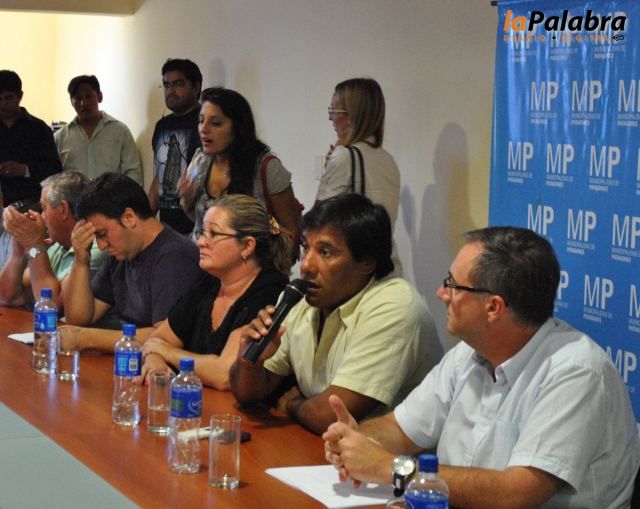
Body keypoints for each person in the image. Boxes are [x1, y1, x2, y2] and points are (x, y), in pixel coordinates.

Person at [323, 226, 640, 508]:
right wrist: (353, 440)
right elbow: (401, 429)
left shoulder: (577, 372)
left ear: (493, 307)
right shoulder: (468, 353)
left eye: (452, 285)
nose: (441, 294)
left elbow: (516, 495)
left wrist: (391, 468)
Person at [229, 194, 441, 435]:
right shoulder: (302, 300)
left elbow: (330, 416)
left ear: (367, 263)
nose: (306, 265)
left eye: (326, 252)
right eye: (305, 247)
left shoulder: (395, 305)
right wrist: (249, 362)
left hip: (390, 456)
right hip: (323, 448)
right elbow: (248, 394)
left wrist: (292, 404)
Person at [140, 194, 291, 390]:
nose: (201, 242)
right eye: (202, 232)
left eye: (213, 234)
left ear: (247, 246)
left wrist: (168, 353)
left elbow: (225, 375)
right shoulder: (209, 282)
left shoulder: (270, 291)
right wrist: (155, 362)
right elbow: (157, 340)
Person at [63, 173, 202, 351]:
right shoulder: (121, 253)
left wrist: (85, 338)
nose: (102, 246)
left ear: (129, 218)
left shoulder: (175, 258)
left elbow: (165, 338)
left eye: (102, 234)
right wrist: (81, 259)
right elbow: (78, 319)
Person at [179, 87, 301, 255]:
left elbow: (290, 232)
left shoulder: (267, 167)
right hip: (202, 260)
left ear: (238, 127)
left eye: (216, 123)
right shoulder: (200, 161)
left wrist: (260, 226)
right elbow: (200, 221)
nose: (203, 129)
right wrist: (188, 200)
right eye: (201, 121)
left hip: (249, 263)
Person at [316, 77, 402, 275]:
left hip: (353, 272)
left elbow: (317, 221)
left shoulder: (344, 156)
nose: (330, 118)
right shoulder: (388, 161)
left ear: (350, 116)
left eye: (333, 110)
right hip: (387, 267)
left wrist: (328, 170)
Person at [0, 171, 106, 309]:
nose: (41, 216)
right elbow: (7, 296)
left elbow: (52, 306)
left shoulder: (98, 247)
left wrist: (34, 244)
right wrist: (19, 251)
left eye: (43, 208)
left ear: (63, 209)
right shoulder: (57, 246)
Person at [54, 75, 143, 185]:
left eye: (88, 96)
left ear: (100, 96)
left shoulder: (120, 132)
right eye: (78, 98)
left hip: (111, 196)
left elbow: (133, 172)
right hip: (73, 196)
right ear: (71, 102)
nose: (83, 103)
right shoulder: (59, 138)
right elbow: (53, 178)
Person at [148, 58, 202, 234]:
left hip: (199, 229)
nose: (171, 90)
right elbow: (159, 176)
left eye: (178, 84)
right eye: (166, 85)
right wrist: (145, 220)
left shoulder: (206, 123)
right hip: (167, 230)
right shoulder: (162, 126)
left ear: (196, 87)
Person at [0, 70, 62, 207]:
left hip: (31, 204)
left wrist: (25, 169)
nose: (3, 104)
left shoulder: (39, 128)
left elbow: (54, 169)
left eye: (8, 98)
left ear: (20, 96)